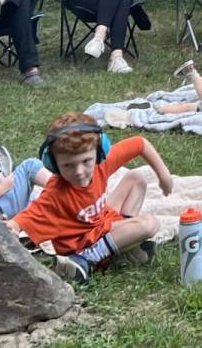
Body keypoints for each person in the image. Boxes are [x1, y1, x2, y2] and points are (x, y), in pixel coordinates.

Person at [12, 113, 175, 283]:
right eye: (68, 165)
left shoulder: (100, 164)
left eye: (86, 161)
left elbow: (140, 144)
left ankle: (119, 247)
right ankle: (88, 258)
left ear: (99, 152)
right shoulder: (55, 193)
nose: (79, 172)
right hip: (81, 244)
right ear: (53, 164)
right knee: (150, 224)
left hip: (99, 223)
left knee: (137, 179)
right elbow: (28, 216)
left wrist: (164, 175)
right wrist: (12, 226)